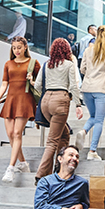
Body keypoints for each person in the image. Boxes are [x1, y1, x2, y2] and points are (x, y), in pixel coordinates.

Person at [0, 37, 40, 183]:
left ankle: (10, 168)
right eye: (14, 48)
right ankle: (23, 163)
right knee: (10, 134)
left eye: (19, 47)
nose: (16, 50)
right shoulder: (8, 64)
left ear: (25, 48)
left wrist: (32, 80)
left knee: (17, 133)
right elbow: (4, 84)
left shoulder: (33, 64)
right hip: (11, 100)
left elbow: (41, 85)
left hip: (25, 100)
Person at [30, 38, 83, 184]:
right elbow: (73, 86)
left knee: (64, 134)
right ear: (67, 50)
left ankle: (59, 167)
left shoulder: (47, 64)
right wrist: (78, 104)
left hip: (46, 101)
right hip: (60, 100)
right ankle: (40, 175)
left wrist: (47, 95)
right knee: (52, 141)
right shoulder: (69, 65)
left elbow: (38, 85)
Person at [75, 25, 105, 161]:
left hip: (87, 89)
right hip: (101, 89)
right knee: (99, 120)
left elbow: (82, 69)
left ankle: (83, 131)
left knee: (93, 116)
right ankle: (92, 151)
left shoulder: (88, 51)